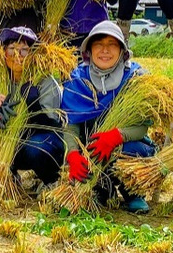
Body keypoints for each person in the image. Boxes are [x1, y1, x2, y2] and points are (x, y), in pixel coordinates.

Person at [59, 21, 154, 213]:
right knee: (94, 183)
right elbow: (70, 124)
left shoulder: (135, 78)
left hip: (125, 145)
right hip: (90, 149)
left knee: (134, 150)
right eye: (98, 44)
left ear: (122, 50)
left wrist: (116, 136)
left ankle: (132, 192)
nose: (105, 50)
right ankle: (101, 188)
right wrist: (73, 155)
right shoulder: (77, 79)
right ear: (89, 50)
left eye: (112, 44)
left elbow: (142, 126)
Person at [0, 26, 65, 188]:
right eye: (12, 48)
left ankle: (50, 180)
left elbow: (53, 125)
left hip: (39, 141)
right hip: (9, 142)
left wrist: (34, 106)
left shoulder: (45, 82)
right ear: (3, 53)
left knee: (35, 148)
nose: (17, 55)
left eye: (24, 50)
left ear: (33, 54)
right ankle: (9, 177)